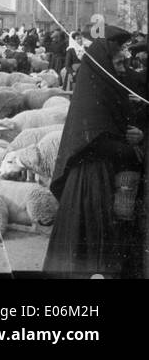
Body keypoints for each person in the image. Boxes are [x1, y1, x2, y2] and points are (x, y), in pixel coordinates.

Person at [44, 24, 146, 277]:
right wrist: (132, 151)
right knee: (94, 248)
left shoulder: (108, 88)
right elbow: (96, 141)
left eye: (124, 63)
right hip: (91, 182)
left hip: (107, 177)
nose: (123, 70)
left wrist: (138, 135)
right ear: (104, 64)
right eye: (119, 64)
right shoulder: (94, 92)